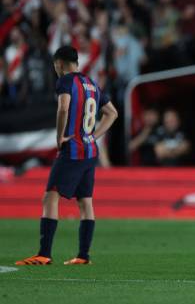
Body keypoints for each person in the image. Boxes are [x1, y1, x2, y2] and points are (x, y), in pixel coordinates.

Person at [15, 45, 118, 266]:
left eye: (55, 66)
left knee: (51, 196)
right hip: (90, 151)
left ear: (59, 63)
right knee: (85, 202)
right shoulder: (92, 84)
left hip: (72, 150)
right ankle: (83, 256)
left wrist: (60, 136)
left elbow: (63, 108)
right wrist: (93, 136)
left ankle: (44, 253)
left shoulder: (65, 81)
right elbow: (112, 113)